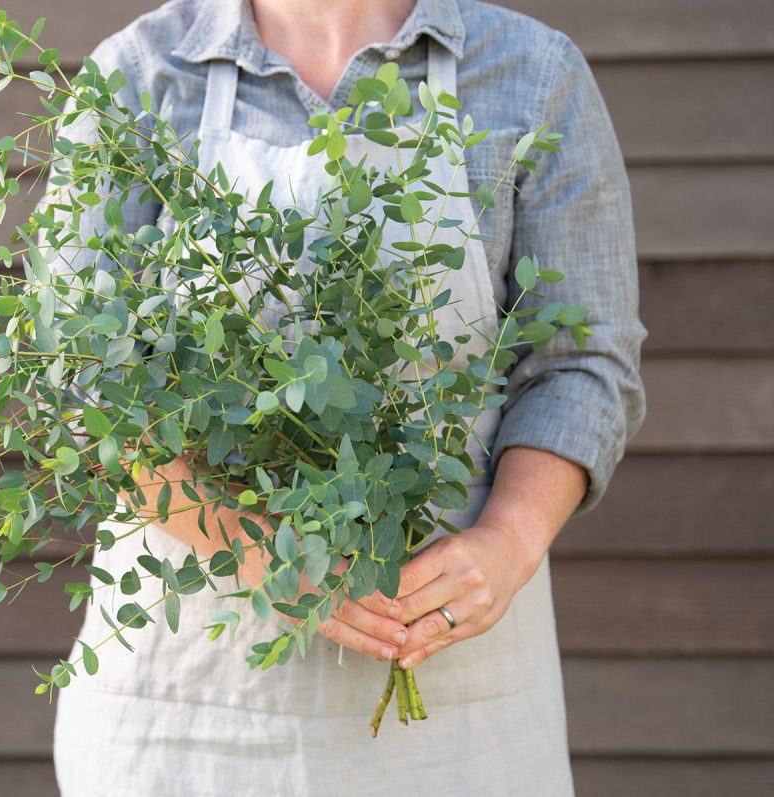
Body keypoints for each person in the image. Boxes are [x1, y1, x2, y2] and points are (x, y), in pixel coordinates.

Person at [45, 0, 647, 794]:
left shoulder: (531, 74)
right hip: (193, 705)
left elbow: (582, 360)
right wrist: (262, 551)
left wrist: (505, 543)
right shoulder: (138, 76)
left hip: (455, 687)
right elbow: (86, 381)